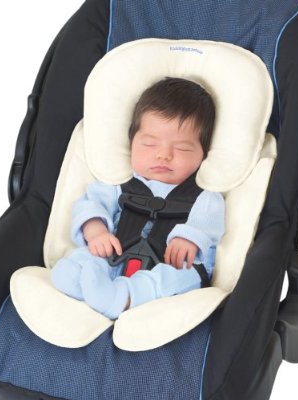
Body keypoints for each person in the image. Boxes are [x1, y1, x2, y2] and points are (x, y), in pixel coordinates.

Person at [51, 77, 225, 319]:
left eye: (182, 148)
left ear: (203, 154)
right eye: (150, 144)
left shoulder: (205, 196)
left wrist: (190, 239)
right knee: (90, 257)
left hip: (170, 264)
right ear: (132, 142)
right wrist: (96, 232)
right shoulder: (118, 184)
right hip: (117, 256)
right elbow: (90, 204)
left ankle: (124, 297)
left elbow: (208, 223)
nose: (164, 155)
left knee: (178, 278)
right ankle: (80, 281)